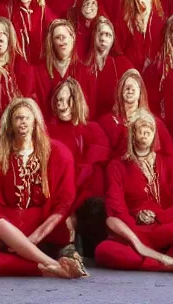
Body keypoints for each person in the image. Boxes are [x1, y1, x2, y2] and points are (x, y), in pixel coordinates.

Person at [0, 97, 86, 279]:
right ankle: (53, 266)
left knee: (64, 223)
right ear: (10, 125)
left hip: (44, 224)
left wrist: (32, 239)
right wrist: (15, 238)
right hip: (11, 226)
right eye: (18, 118)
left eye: (27, 118)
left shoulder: (58, 152)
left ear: (35, 121)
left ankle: (40, 262)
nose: (23, 122)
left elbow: (65, 201)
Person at [95, 110, 173, 276]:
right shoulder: (117, 166)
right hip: (134, 231)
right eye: (140, 129)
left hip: (162, 228)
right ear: (132, 134)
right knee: (103, 250)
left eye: (149, 129)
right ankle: (168, 264)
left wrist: (159, 217)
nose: (145, 133)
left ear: (155, 135)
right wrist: (135, 220)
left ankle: (149, 260)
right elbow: (115, 207)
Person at [46, 79, 110, 253]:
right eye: (59, 100)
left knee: (96, 202)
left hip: (85, 192)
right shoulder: (48, 131)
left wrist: (72, 209)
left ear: (77, 100)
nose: (63, 105)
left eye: (68, 99)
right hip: (59, 190)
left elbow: (93, 166)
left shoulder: (92, 129)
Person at [98, 69, 173, 158]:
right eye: (127, 87)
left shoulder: (155, 123)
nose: (130, 91)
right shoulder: (106, 122)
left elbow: (169, 158)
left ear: (140, 92)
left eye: (134, 87)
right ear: (120, 90)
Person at [86, 16, 135, 119]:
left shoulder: (121, 63)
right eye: (100, 33)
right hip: (88, 121)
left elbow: (137, 84)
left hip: (114, 119)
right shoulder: (84, 67)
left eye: (108, 35)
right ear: (94, 36)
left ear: (113, 39)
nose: (103, 38)